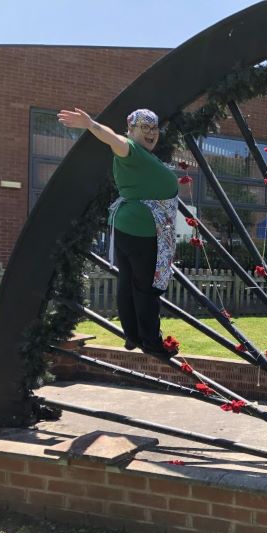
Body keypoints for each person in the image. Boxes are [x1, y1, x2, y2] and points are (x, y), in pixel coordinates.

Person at [58, 107, 179, 358]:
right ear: (131, 129)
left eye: (154, 128)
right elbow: (113, 138)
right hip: (142, 230)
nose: (151, 133)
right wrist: (91, 124)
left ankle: (132, 336)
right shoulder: (130, 150)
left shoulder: (142, 155)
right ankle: (151, 343)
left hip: (130, 227)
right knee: (146, 289)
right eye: (144, 128)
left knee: (128, 284)